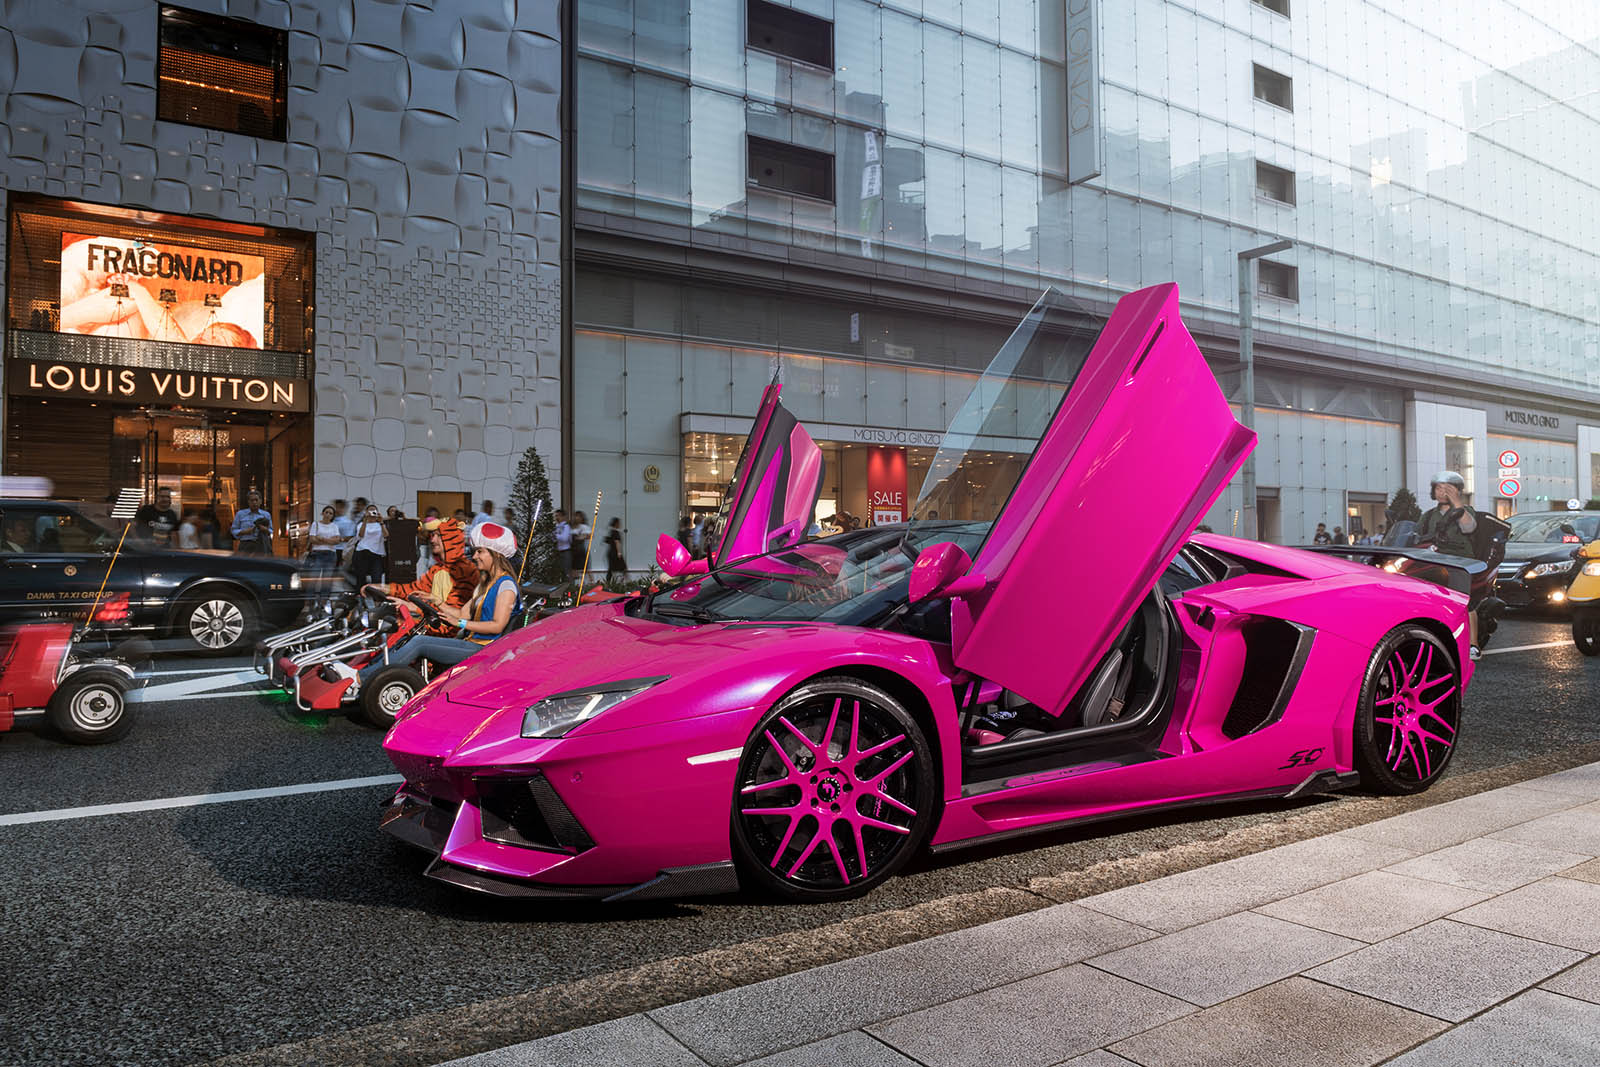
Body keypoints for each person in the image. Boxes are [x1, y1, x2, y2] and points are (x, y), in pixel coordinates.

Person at [360, 523, 521, 681]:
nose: (474, 556)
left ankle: (362, 679)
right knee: (409, 638)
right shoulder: (485, 584)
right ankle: (366, 671)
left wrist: (460, 623)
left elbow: (497, 625)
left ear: (497, 554)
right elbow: (462, 613)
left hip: (486, 649)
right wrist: (436, 601)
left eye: (480, 552)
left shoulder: (505, 585)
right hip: (473, 643)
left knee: (419, 643)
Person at [365, 517, 478, 633]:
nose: (432, 540)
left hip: (445, 632)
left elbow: (452, 614)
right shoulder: (437, 570)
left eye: (437, 535)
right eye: (431, 535)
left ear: (450, 538)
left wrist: (411, 607)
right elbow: (415, 590)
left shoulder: (466, 570)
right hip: (431, 625)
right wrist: (384, 588)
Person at [1416, 471, 1478, 558]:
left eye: (1448, 490)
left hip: (1460, 560)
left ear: (1458, 491)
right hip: (1433, 558)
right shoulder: (1428, 515)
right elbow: (1415, 535)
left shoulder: (1465, 511)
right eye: (1438, 488)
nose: (1442, 493)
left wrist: (1456, 502)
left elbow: (1469, 528)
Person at [352, 502, 387, 585]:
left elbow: (386, 535)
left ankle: (376, 597)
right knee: (361, 577)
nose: (372, 513)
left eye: (374, 511)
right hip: (362, 552)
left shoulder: (380, 525)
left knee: (376, 577)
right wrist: (365, 521)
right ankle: (360, 595)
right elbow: (360, 535)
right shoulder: (361, 524)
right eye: (370, 511)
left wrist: (381, 522)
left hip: (376, 553)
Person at [305, 504, 344, 574]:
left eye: (330, 513)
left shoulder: (334, 526)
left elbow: (337, 541)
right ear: (322, 513)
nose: (328, 514)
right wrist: (331, 540)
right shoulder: (316, 524)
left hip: (331, 554)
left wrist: (321, 538)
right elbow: (312, 539)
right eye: (326, 512)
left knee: (327, 580)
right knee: (313, 577)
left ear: (332, 516)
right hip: (317, 553)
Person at [569, 510, 592, 577]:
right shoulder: (572, 526)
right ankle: (574, 585)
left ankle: (592, 583)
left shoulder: (584, 527)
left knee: (586, 568)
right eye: (575, 516)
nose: (577, 518)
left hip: (581, 550)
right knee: (574, 569)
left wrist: (581, 537)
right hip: (573, 550)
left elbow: (590, 535)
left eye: (578, 516)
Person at [604, 517, 627, 583]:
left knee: (611, 569)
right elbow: (617, 542)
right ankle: (625, 582)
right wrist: (619, 552)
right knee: (623, 568)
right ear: (616, 524)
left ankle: (608, 582)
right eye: (619, 523)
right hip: (615, 553)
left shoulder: (610, 532)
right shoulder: (616, 532)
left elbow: (606, 541)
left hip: (610, 553)